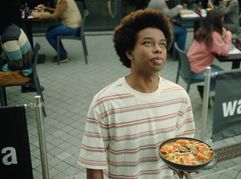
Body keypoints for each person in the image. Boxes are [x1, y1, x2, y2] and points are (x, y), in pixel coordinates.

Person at [78, 9, 196, 179]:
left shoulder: (179, 96)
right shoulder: (104, 103)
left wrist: (185, 164)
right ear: (129, 52)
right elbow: (94, 165)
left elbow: (182, 148)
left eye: (162, 44)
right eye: (148, 43)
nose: (158, 49)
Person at [187, 10, 231, 96]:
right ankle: (212, 93)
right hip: (198, 70)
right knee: (224, 75)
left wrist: (223, 34)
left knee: (217, 72)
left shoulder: (203, 30)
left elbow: (216, 44)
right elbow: (224, 52)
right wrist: (228, 36)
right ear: (218, 22)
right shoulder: (213, 35)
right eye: (222, 19)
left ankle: (208, 91)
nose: (223, 21)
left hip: (191, 66)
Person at [0, 1, 38, 92]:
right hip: (27, 68)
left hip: (23, 74)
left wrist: (2, 67)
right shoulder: (12, 27)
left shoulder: (8, 38)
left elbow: (17, 65)